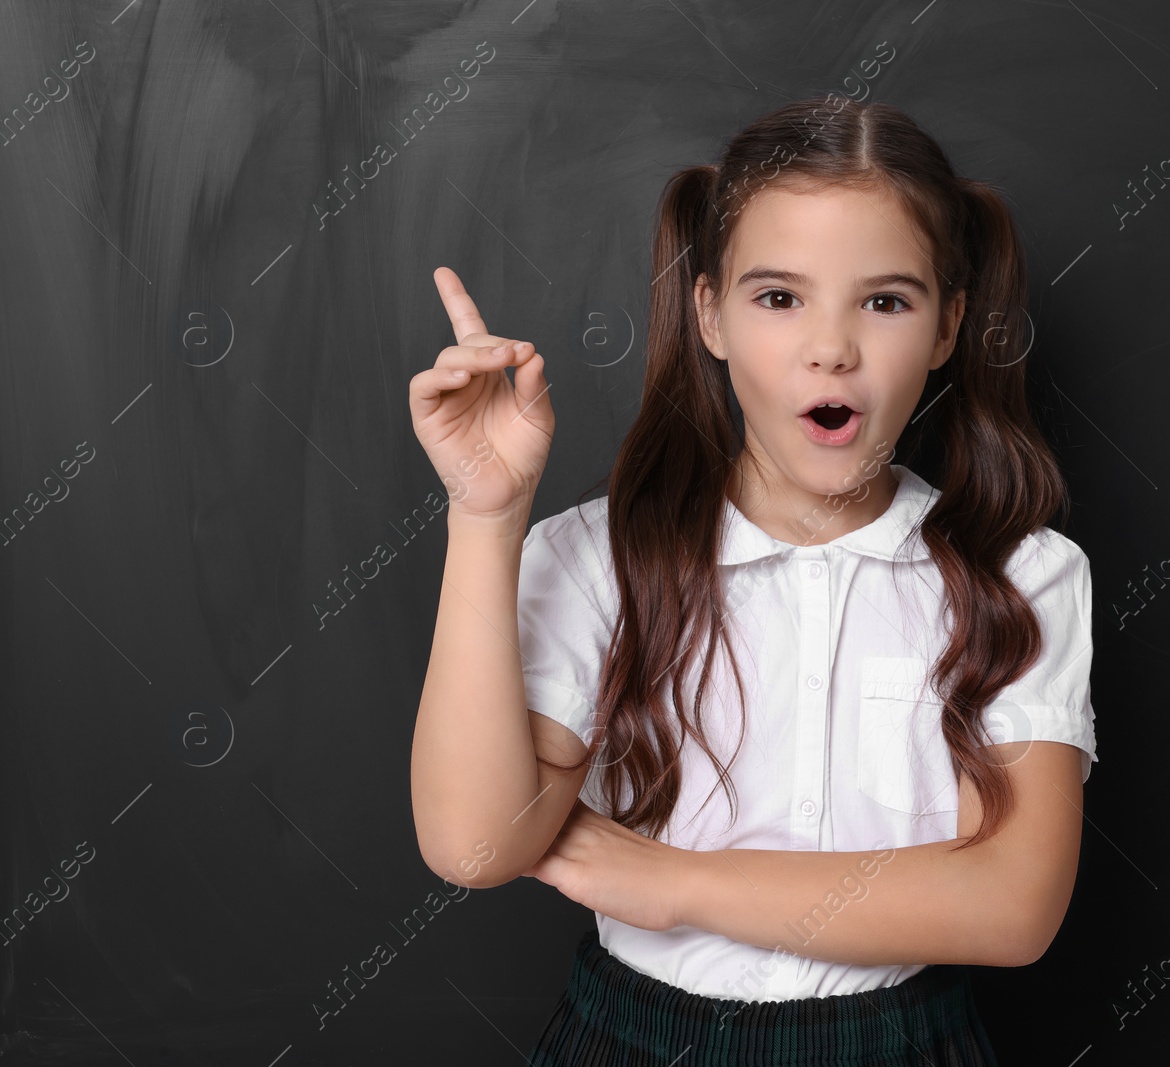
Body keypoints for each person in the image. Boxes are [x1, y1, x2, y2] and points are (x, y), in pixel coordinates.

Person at [408, 94, 1098, 1066]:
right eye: (779, 297)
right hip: (633, 1036)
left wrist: (674, 881)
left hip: (899, 1041)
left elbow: (1012, 906)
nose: (831, 346)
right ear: (710, 316)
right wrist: (486, 516)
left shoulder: (1024, 574)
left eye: (885, 300)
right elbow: (475, 846)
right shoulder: (595, 559)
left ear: (947, 326)